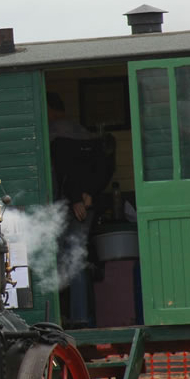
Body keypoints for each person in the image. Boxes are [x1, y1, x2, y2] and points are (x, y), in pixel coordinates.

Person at [47, 92, 115, 328]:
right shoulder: (86, 133)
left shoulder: (54, 134)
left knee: (64, 256)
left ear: (49, 109)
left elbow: (65, 169)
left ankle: (71, 317)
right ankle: (84, 315)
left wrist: (76, 197)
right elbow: (105, 166)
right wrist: (90, 193)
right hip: (87, 203)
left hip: (66, 205)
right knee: (78, 255)